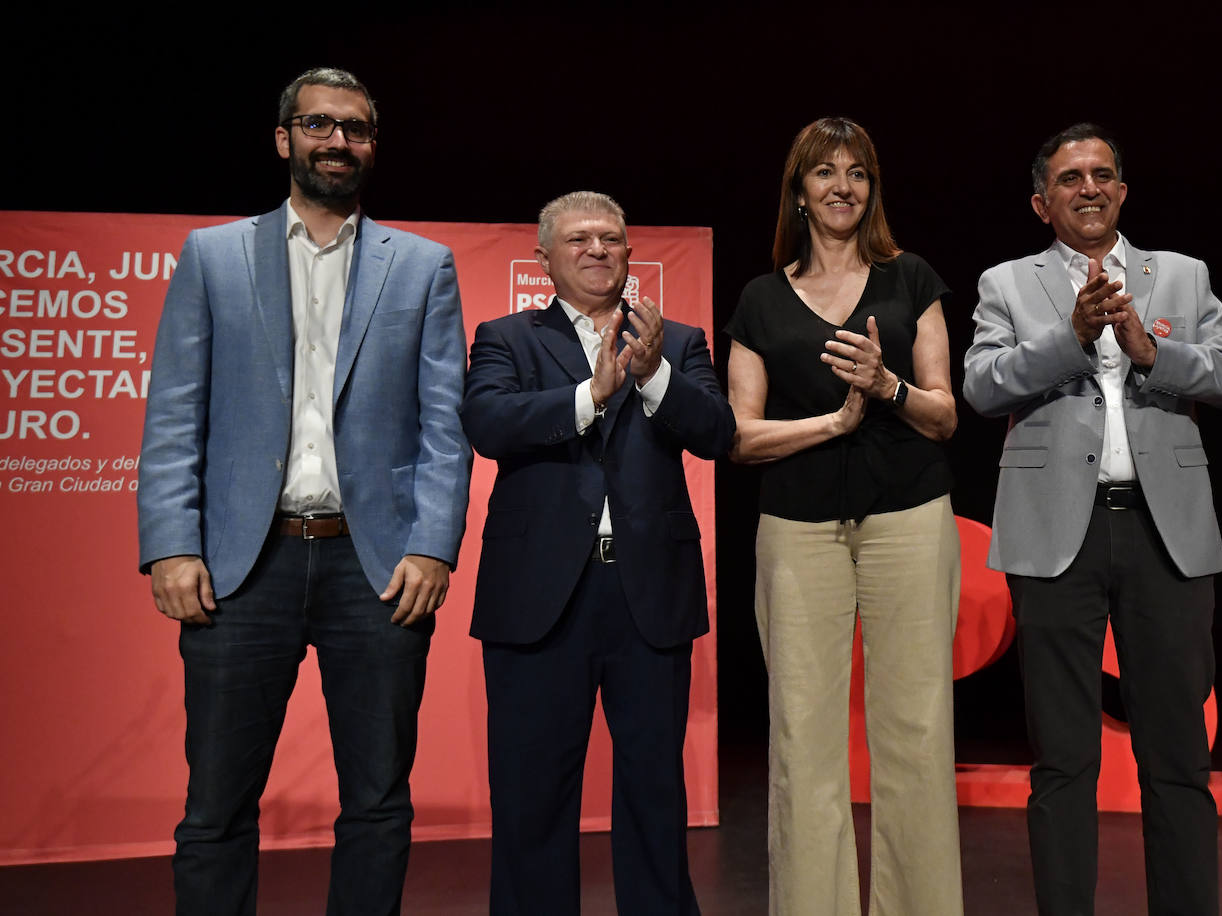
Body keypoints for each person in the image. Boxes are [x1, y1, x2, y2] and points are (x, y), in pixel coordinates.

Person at [137, 67, 470, 916]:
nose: (338, 142)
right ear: (283, 137)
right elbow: (176, 411)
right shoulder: (213, 255)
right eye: (319, 125)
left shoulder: (423, 266)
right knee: (215, 808)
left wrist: (432, 542)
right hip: (243, 570)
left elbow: (445, 423)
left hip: (377, 570)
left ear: (371, 146)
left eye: (355, 129)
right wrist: (172, 543)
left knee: (378, 802)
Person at [963, 123, 1222, 915]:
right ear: (1041, 201)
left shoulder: (1181, 277)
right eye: (1068, 178)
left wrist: (1154, 352)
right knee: (1063, 760)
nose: (1087, 187)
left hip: (1167, 536)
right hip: (1057, 536)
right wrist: (1073, 338)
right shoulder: (1007, 283)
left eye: (1101, 175)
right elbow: (983, 387)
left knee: (1178, 759)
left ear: (1122, 191)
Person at [461, 191, 734, 915]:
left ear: (628, 252)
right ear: (543, 257)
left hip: (647, 593)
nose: (597, 250)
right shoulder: (506, 336)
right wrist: (589, 394)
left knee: (653, 791)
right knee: (531, 795)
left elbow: (716, 431)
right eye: (578, 238)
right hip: (540, 596)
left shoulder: (676, 340)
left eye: (610, 238)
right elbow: (489, 422)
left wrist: (654, 378)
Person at [725, 117, 964, 916]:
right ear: (799, 191)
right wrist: (831, 424)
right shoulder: (761, 299)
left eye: (857, 172)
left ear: (873, 189)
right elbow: (740, 435)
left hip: (908, 517)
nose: (842, 186)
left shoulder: (912, 279)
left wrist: (886, 385)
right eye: (824, 172)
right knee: (804, 740)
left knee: (917, 734)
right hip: (798, 529)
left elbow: (944, 414)